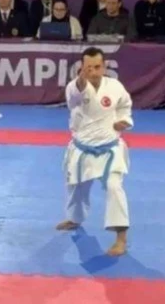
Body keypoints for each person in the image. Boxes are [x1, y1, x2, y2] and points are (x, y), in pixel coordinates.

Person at [56, 47, 133, 256]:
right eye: (88, 68)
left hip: (109, 149)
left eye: (97, 67)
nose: (93, 72)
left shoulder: (115, 86)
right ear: (82, 68)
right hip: (82, 149)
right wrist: (82, 79)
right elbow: (77, 94)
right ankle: (75, 218)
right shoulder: (75, 87)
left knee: (114, 187)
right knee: (76, 188)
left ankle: (121, 238)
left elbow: (125, 106)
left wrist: (123, 121)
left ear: (104, 66)